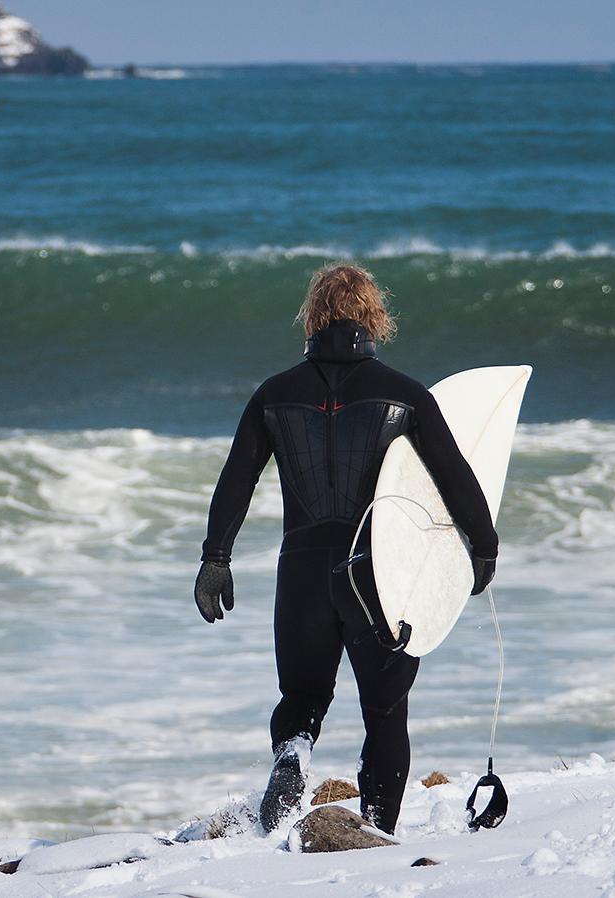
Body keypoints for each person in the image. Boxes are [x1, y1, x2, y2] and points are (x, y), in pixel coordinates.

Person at [194, 263, 498, 836]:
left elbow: (236, 478)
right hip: (377, 575)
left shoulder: (274, 395)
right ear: (374, 318)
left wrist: (216, 558)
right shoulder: (406, 396)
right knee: (384, 713)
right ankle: (374, 830)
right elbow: (457, 478)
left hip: (302, 570)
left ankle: (292, 758)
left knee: (302, 697)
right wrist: (482, 548)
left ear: (311, 317)